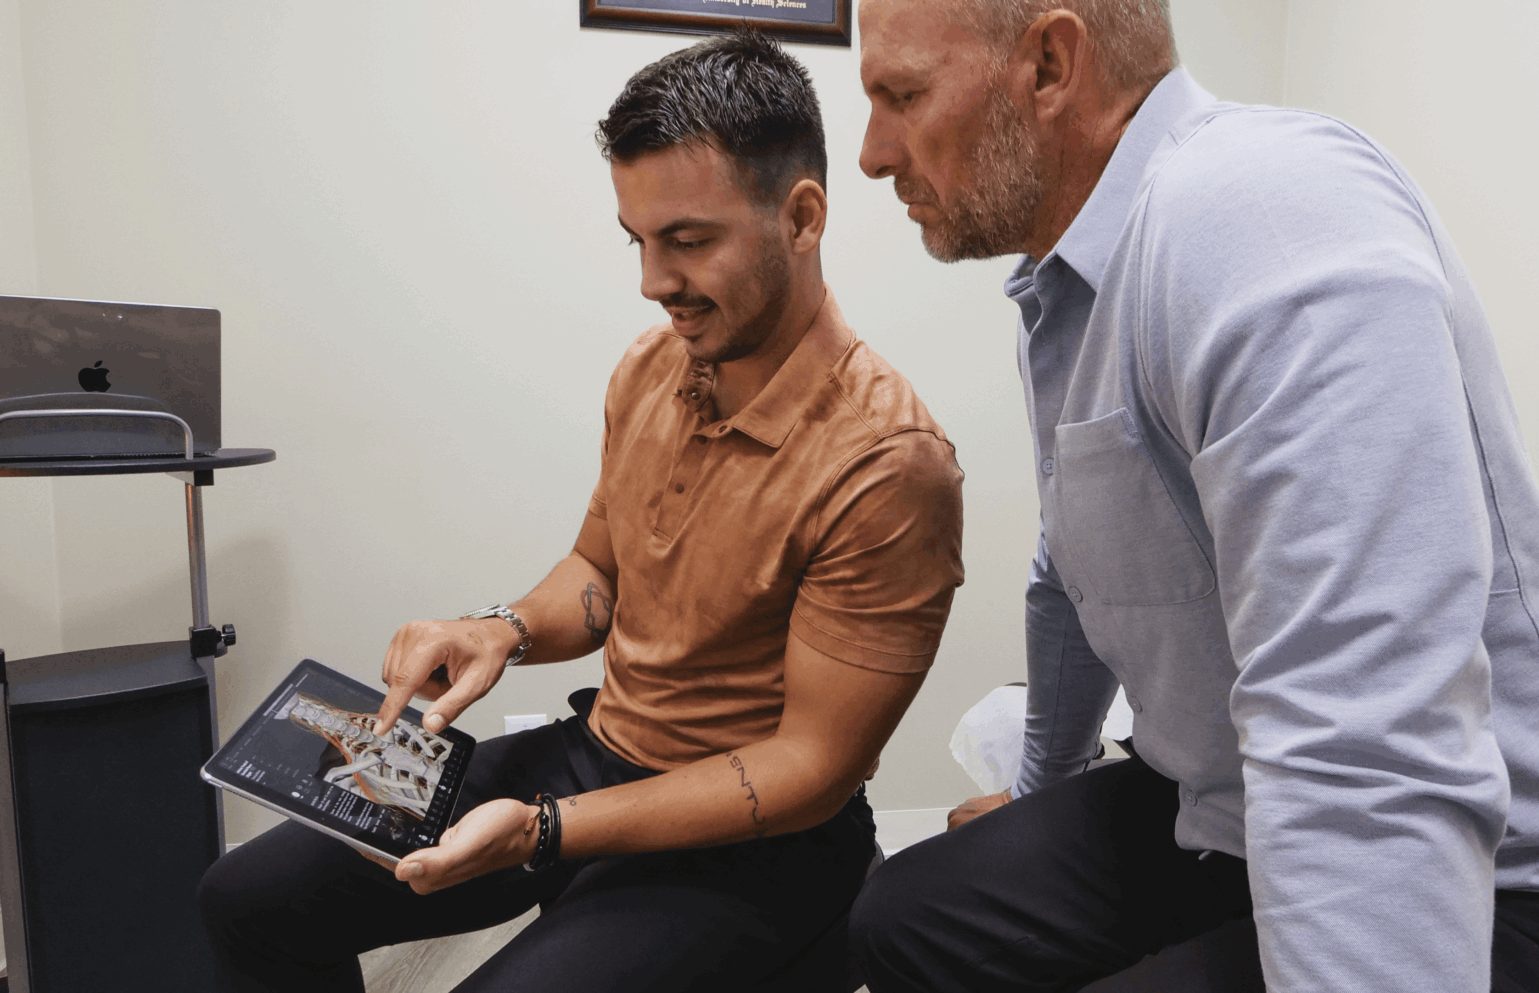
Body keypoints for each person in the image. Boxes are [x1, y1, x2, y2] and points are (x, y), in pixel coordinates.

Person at [847, 3, 1539, 992]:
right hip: (1225, 810)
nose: (872, 154)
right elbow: (1071, 575)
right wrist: (1037, 789)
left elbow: (1365, 733)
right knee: (901, 919)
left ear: (1049, 65)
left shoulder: (1260, 208)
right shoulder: (1071, 293)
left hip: (1536, 887)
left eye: (903, 95)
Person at [198, 34, 966, 993]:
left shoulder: (889, 463)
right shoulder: (653, 366)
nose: (653, 281)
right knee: (246, 898)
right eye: (637, 241)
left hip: (761, 839)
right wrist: (500, 628)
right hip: (600, 751)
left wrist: (544, 830)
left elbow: (810, 768)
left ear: (802, 217)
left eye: (688, 241)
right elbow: (598, 570)